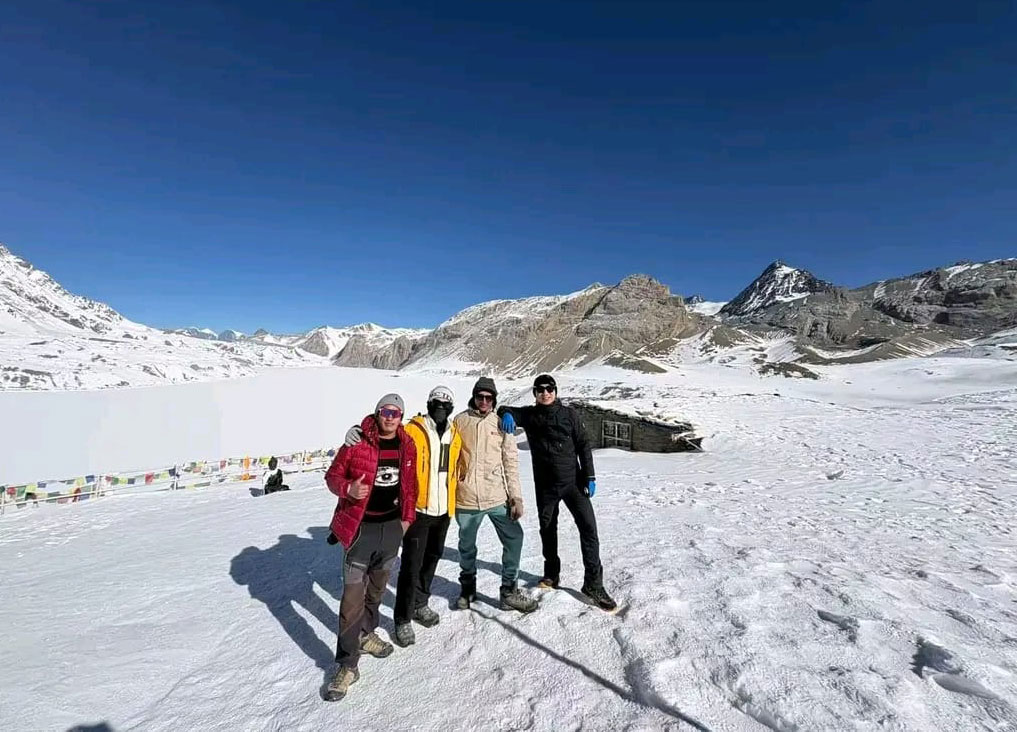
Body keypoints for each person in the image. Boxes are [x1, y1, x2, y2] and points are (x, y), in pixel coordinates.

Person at [344, 385, 462, 647]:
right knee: (411, 566)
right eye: (436, 402)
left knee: (431, 560)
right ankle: (403, 618)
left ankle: (421, 603)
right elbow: (385, 430)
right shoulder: (413, 429)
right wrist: (359, 431)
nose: (440, 408)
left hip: (444, 510)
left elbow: (457, 466)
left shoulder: (455, 434)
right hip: (419, 510)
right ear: (429, 403)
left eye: (446, 404)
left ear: (451, 407)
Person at [322, 393, 418, 702]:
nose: (390, 416)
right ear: (377, 413)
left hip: (390, 530)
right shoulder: (357, 442)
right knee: (352, 599)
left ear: (401, 416)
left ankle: (366, 635)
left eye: (396, 412)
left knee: (376, 592)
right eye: (385, 411)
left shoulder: (407, 445)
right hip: (360, 530)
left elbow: (410, 486)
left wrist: (406, 520)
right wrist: (347, 488)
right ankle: (347, 665)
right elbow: (332, 475)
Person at [498, 374, 617, 611]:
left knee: (589, 530)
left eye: (549, 389)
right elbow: (505, 408)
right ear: (535, 393)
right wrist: (505, 413)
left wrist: (590, 476)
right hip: (545, 486)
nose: (545, 393)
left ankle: (593, 583)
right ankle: (551, 573)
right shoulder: (530, 415)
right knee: (547, 529)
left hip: (573, 482)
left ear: (555, 391)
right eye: (540, 390)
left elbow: (583, 445)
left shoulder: (569, 415)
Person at [452, 377, 537, 614]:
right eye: (480, 397)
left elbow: (510, 462)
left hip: (497, 496)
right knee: (466, 546)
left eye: (489, 398)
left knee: (514, 539)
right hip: (466, 497)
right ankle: (467, 589)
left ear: (494, 400)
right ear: (474, 397)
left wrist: (516, 498)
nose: (484, 401)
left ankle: (508, 591)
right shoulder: (459, 421)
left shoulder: (501, 424)